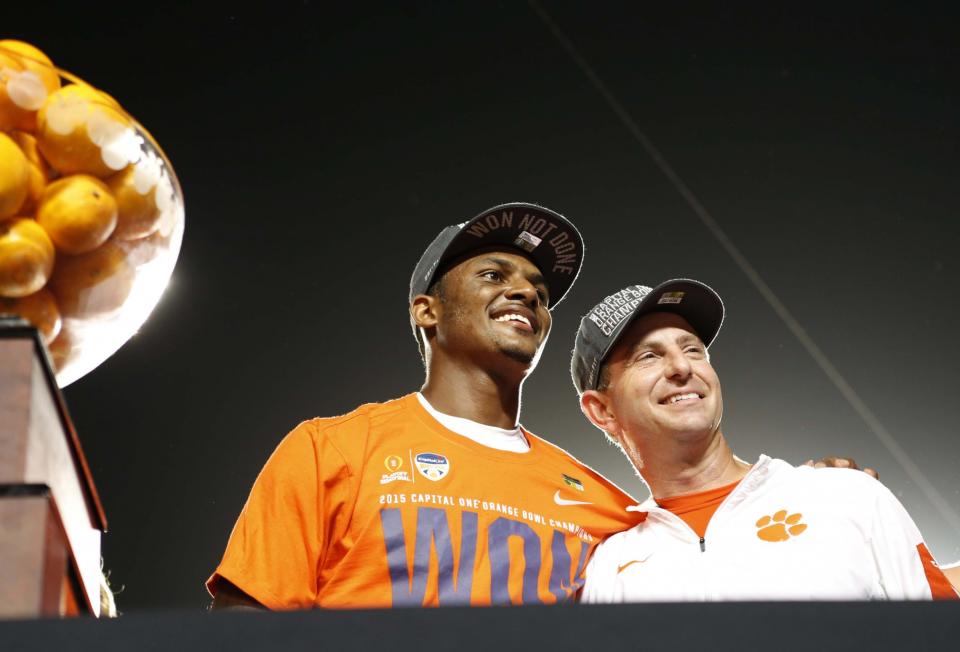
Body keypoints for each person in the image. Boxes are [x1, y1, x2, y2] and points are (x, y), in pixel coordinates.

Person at [206, 202, 643, 609]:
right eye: (493, 275)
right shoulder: (329, 451)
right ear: (426, 311)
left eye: (540, 293)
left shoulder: (607, 510)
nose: (526, 294)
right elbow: (243, 626)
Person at [571, 279, 959, 602]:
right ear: (602, 411)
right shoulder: (609, 568)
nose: (682, 367)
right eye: (648, 357)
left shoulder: (847, 497)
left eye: (693, 349)